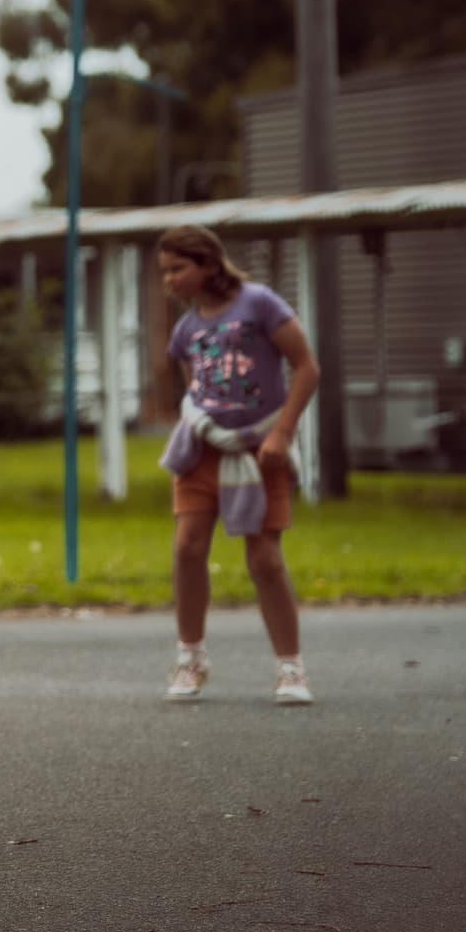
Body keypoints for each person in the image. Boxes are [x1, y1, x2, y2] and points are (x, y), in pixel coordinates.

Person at [156, 225, 322, 705]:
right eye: (164, 271)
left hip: (260, 451)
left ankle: (290, 668)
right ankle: (191, 657)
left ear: (208, 264)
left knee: (265, 559)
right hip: (201, 451)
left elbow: (306, 367)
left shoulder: (260, 304)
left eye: (177, 268)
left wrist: (282, 433)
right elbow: (195, 392)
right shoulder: (186, 330)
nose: (169, 280)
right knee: (187, 548)